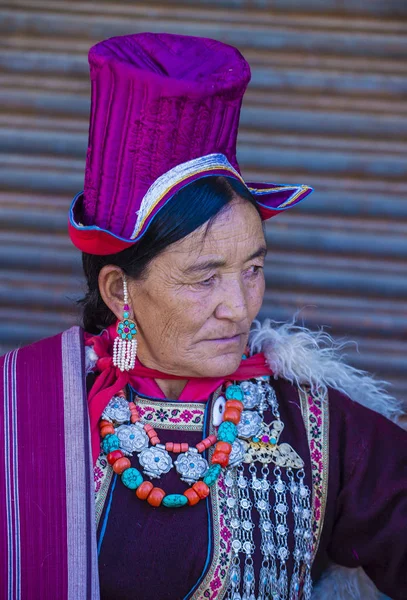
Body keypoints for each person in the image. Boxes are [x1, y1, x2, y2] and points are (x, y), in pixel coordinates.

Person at [0, 32, 405, 600]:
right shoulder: (22, 412)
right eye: (204, 277)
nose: (239, 308)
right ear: (121, 291)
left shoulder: (315, 426)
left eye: (253, 269)